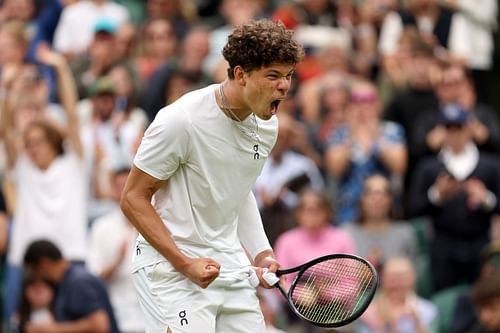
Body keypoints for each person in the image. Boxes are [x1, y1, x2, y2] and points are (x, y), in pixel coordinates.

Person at [120, 19, 304, 333]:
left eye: (287, 76)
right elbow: (132, 198)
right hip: (169, 270)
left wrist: (261, 251)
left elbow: (238, 190)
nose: (284, 86)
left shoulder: (268, 126)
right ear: (240, 75)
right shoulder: (181, 120)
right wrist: (183, 262)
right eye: (272, 75)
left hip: (229, 268)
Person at [22, 240, 120, 333]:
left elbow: (100, 325)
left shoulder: (78, 283)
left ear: (45, 264)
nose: (35, 277)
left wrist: (54, 329)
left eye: (34, 271)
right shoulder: (66, 281)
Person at [358, 256, 438, 333]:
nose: (397, 283)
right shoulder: (368, 311)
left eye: (403, 277)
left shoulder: (427, 310)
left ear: (413, 278)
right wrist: (387, 325)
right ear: (382, 278)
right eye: (392, 278)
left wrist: (417, 323)